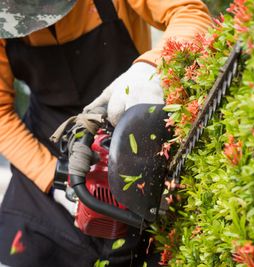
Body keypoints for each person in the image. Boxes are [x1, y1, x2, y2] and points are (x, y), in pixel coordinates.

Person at [0, 0, 212, 266]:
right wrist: (52, 176)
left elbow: (191, 13)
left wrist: (153, 68)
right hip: (48, 141)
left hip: (129, 128)